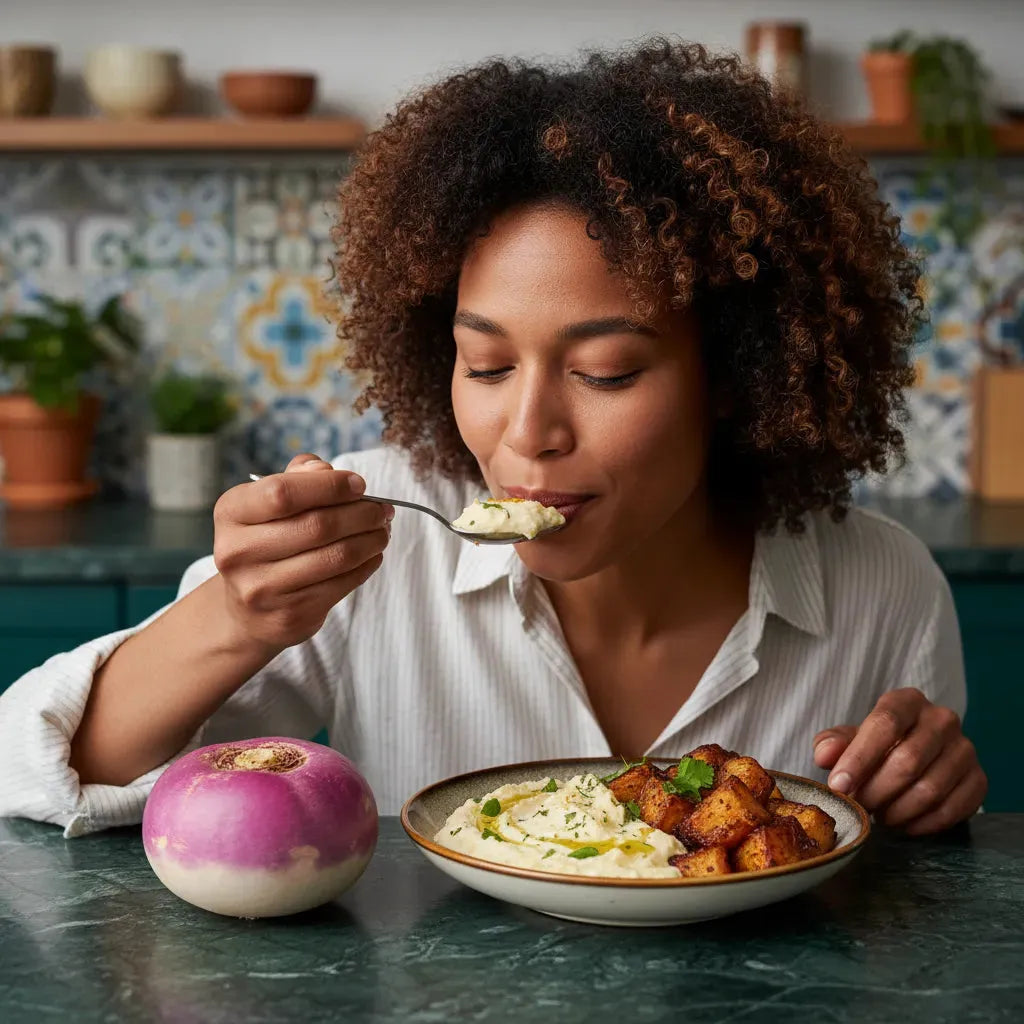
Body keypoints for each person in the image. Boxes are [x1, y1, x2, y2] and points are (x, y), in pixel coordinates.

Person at [0, 40, 986, 837]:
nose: (526, 433)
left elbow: (901, 909)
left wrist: (925, 800)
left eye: (604, 372)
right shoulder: (373, 529)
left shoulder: (882, 587)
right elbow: (30, 769)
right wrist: (237, 617)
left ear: (734, 375)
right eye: (485, 365)